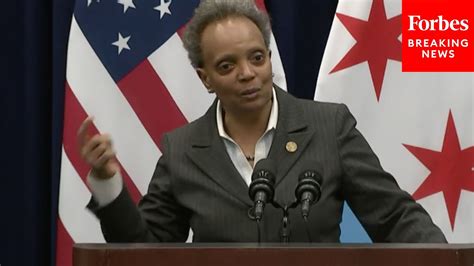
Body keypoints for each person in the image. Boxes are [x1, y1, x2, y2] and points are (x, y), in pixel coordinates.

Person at [78, 0, 446, 243]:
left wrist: (448, 260)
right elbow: (146, 254)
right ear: (205, 78)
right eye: (227, 65)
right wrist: (108, 184)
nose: (247, 74)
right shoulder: (183, 150)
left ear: (269, 58)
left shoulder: (328, 127)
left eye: (257, 58)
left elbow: (395, 217)